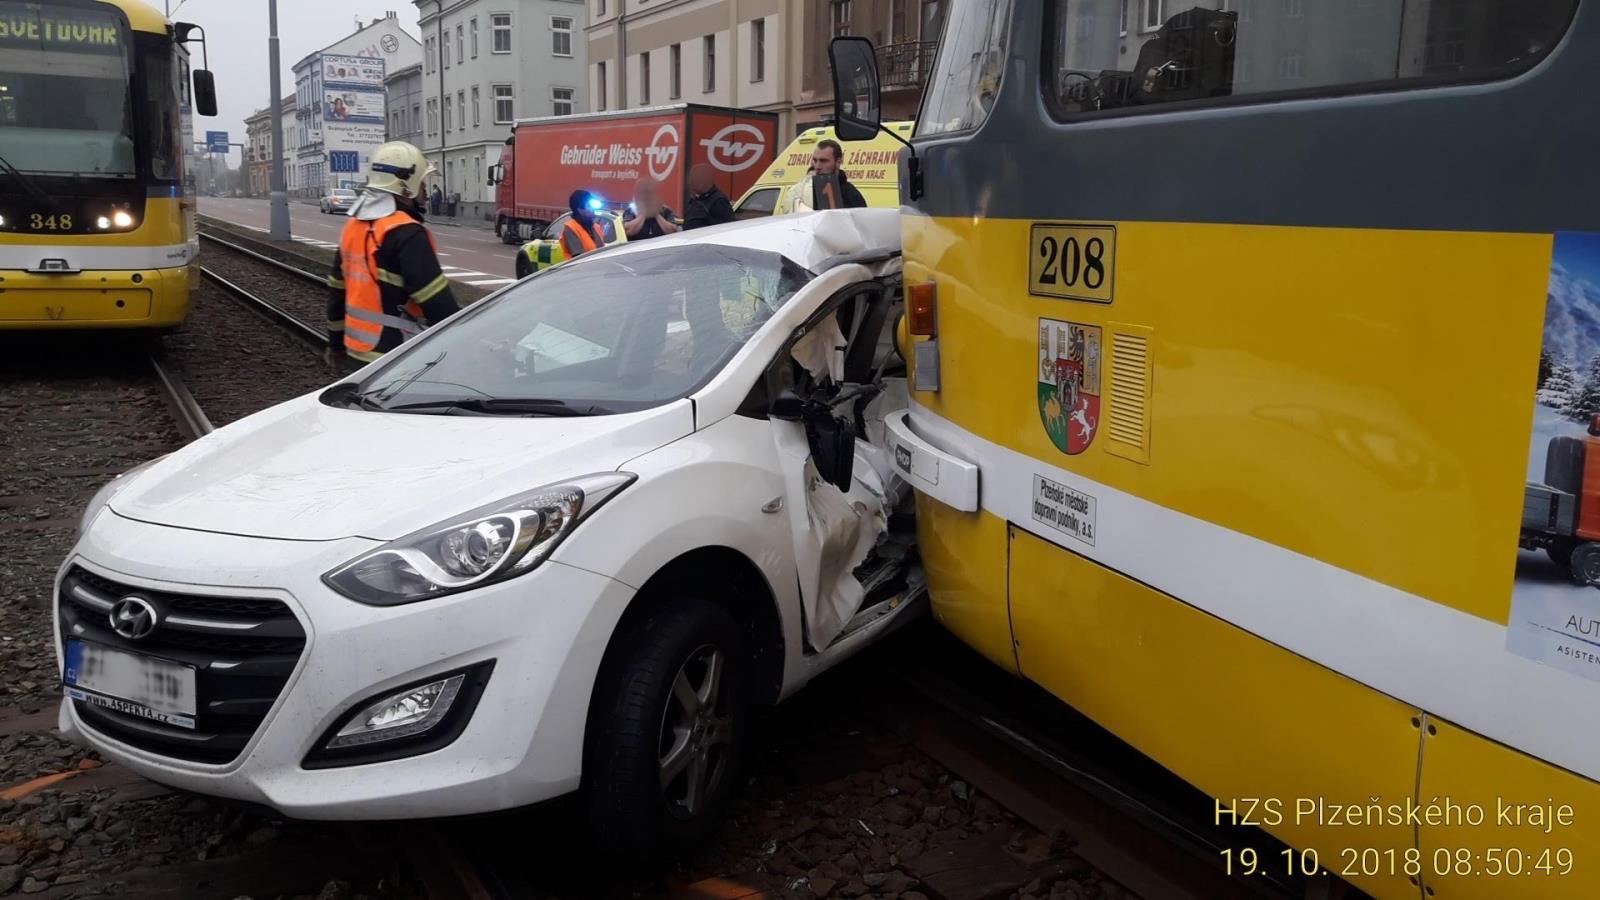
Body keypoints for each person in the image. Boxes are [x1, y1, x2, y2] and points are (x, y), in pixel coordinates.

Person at [325, 141, 459, 366]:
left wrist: (335, 345)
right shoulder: (407, 233)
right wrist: (463, 344)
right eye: (422, 182)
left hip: (358, 353)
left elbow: (336, 295)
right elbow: (437, 302)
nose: (425, 190)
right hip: (399, 358)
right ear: (407, 185)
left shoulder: (353, 227)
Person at [785, 139, 868, 211]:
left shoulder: (851, 196)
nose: (817, 167)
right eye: (815, 160)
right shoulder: (805, 190)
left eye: (823, 161)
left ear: (838, 162)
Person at [682, 164, 734, 229]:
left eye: (697, 178)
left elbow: (724, 229)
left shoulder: (718, 201)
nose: (692, 182)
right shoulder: (693, 201)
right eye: (692, 178)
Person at [559, 189, 608, 259]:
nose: (593, 209)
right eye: (589, 206)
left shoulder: (596, 227)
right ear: (579, 209)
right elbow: (578, 258)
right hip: (581, 265)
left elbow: (601, 251)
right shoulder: (570, 228)